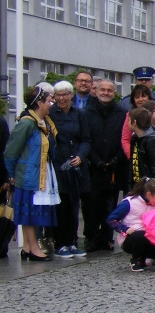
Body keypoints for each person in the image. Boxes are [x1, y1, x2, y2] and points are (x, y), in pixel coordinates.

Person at [3, 83, 58, 261]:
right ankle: (33, 247)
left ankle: (27, 246)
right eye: (49, 101)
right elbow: (10, 152)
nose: (51, 104)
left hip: (40, 173)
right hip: (28, 175)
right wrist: (12, 175)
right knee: (29, 213)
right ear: (39, 103)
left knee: (33, 212)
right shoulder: (27, 124)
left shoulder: (43, 123)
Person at [83, 78, 127, 252]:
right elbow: (86, 138)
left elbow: (123, 139)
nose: (106, 93)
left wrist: (115, 160)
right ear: (96, 91)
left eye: (109, 90)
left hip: (114, 167)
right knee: (91, 204)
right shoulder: (87, 113)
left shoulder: (122, 113)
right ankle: (91, 237)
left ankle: (107, 237)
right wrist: (96, 160)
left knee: (110, 203)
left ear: (114, 93)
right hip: (93, 166)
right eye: (103, 90)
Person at [49, 81, 90, 258]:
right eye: (58, 95)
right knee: (62, 204)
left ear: (71, 95)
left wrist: (81, 156)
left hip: (75, 164)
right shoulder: (50, 114)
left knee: (74, 204)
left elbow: (86, 139)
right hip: (58, 163)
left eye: (65, 94)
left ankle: (72, 241)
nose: (62, 98)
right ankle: (60, 243)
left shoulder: (80, 114)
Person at [105, 177, 155, 272]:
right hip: (130, 238)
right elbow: (111, 220)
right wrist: (124, 229)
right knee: (141, 236)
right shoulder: (130, 203)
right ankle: (135, 258)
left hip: (148, 236)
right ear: (149, 194)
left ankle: (143, 257)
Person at [128, 107, 155, 188]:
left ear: (134, 122)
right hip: (136, 185)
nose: (127, 123)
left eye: (129, 120)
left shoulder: (151, 141)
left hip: (148, 187)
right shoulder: (135, 139)